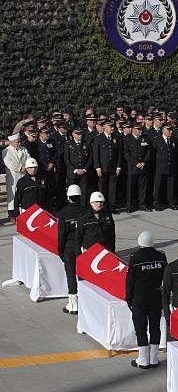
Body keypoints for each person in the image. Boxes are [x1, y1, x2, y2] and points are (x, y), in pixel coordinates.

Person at [125, 231, 167, 369]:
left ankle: (143, 359)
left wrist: (129, 298)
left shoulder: (135, 258)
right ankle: (154, 358)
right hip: (156, 296)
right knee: (155, 326)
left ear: (139, 242)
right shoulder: (161, 257)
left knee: (141, 327)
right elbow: (165, 278)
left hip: (140, 297)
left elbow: (130, 280)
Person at [58, 185, 85, 314]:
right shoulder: (85, 211)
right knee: (83, 274)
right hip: (81, 246)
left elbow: (61, 234)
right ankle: (85, 300)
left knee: (70, 273)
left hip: (68, 246)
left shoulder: (63, 212)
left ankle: (73, 304)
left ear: (68, 197)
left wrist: (60, 250)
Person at [93, 121, 123, 213]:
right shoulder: (99, 138)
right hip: (103, 167)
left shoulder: (116, 138)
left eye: (113, 127)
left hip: (113, 167)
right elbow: (96, 154)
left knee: (112, 188)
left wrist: (118, 166)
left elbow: (119, 153)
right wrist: (97, 167)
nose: (112, 128)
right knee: (102, 188)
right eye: (110, 126)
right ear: (105, 127)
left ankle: (112, 207)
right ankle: (103, 207)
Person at [2, 133, 30, 223]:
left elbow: (29, 158)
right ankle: (12, 215)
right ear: (12, 142)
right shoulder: (5, 151)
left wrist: (26, 167)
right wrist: (19, 168)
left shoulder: (24, 149)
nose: (19, 143)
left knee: (23, 195)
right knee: (13, 196)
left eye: (19, 142)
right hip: (13, 177)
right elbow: (9, 163)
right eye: (17, 142)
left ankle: (23, 213)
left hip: (24, 175)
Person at [124, 123, 152, 212]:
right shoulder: (127, 139)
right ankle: (130, 206)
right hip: (133, 167)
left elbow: (148, 151)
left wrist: (144, 162)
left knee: (143, 187)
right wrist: (135, 163)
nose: (141, 131)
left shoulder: (144, 138)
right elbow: (126, 153)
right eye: (139, 129)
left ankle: (142, 205)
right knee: (131, 188)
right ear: (134, 130)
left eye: (141, 129)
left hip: (143, 166)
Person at [153, 124, 178, 211]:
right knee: (158, 187)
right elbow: (153, 153)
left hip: (171, 166)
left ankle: (171, 203)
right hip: (160, 167)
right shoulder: (157, 140)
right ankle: (157, 204)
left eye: (171, 130)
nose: (171, 131)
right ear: (163, 131)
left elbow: (176, 152)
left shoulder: (174, 140)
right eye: (169, 130)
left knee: (171, 187)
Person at [64, 127, 92, 206]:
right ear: (73, 134)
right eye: (77, 134)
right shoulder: (68, 144)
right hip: (73, 173)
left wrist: (85, 169)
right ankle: (72, 207)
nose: (80, 135)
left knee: (83, 191)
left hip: (83, 172)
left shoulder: (86, 144)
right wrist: (74, 170)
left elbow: (90, 158)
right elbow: (66, 159)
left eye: (81, 134)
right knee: (72, 191)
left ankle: (82, 208)